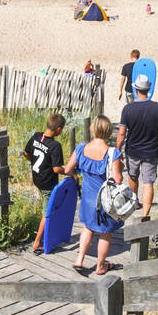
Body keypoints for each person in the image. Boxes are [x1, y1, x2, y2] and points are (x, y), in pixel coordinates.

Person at [63, 115, 124, 275]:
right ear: (108, 131)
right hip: (105, 200)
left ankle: (79, 260)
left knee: (87, 227)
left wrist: (78, 174)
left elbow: (68, 169)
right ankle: (100, 266)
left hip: (88, 199)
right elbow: (118, 179)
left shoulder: (81, 148)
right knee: (105, 233)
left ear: (93, 129)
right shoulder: (113, 153)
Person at [117, 74, 158, 218]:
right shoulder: (157, 108)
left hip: (133, 150)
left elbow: (121, 133)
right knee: (148, 182)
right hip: (151, 151)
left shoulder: (128, 109)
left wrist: (117, 150)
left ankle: (135, 203)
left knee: (133, 177)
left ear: (135, 89)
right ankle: (146, 214)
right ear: (148, 89)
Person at [23, 113, 67, 253]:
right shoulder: (55, 146)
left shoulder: (37, 136)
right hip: (48, 183)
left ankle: (50, 231)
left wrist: (33, 161)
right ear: (59, 129)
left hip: (37, 178)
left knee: (49, 206)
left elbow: (26, 153)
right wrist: (70, 172)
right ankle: (37, 243)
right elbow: (56, 169)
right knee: (46, 212)